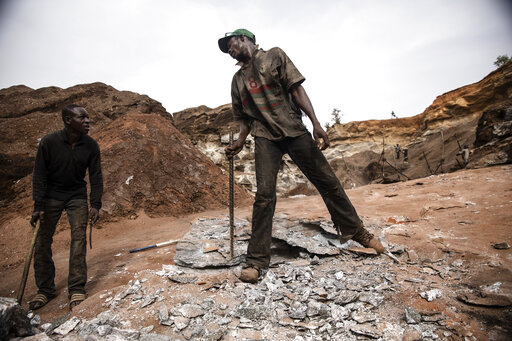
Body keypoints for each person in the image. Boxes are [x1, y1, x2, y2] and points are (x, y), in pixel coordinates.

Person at [218, 29, 384, 283]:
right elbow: (244, 119)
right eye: (227, 48)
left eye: (231, 44)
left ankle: (356, 232)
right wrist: (240, 142)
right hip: (264, 137)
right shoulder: (237, 80)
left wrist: (316, 123)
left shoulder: (274, 56)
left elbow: (297, 91)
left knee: (327, 181)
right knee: (264, 195)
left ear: (244, 39)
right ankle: (256, 260)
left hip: (293, 129)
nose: (229, 50)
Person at [28, 104, 103, 310]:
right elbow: (39, 175)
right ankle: (45, 290)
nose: (87, 121)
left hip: (76, 196)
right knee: (42, 242)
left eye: (88, 117)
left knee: (78, 241)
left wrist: (95, 204)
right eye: (82, 118)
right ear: (68, 120)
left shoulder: (91, 145)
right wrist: (38, 205)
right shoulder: (49, 142)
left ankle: (76, 288)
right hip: (50, 196)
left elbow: (96, 176)